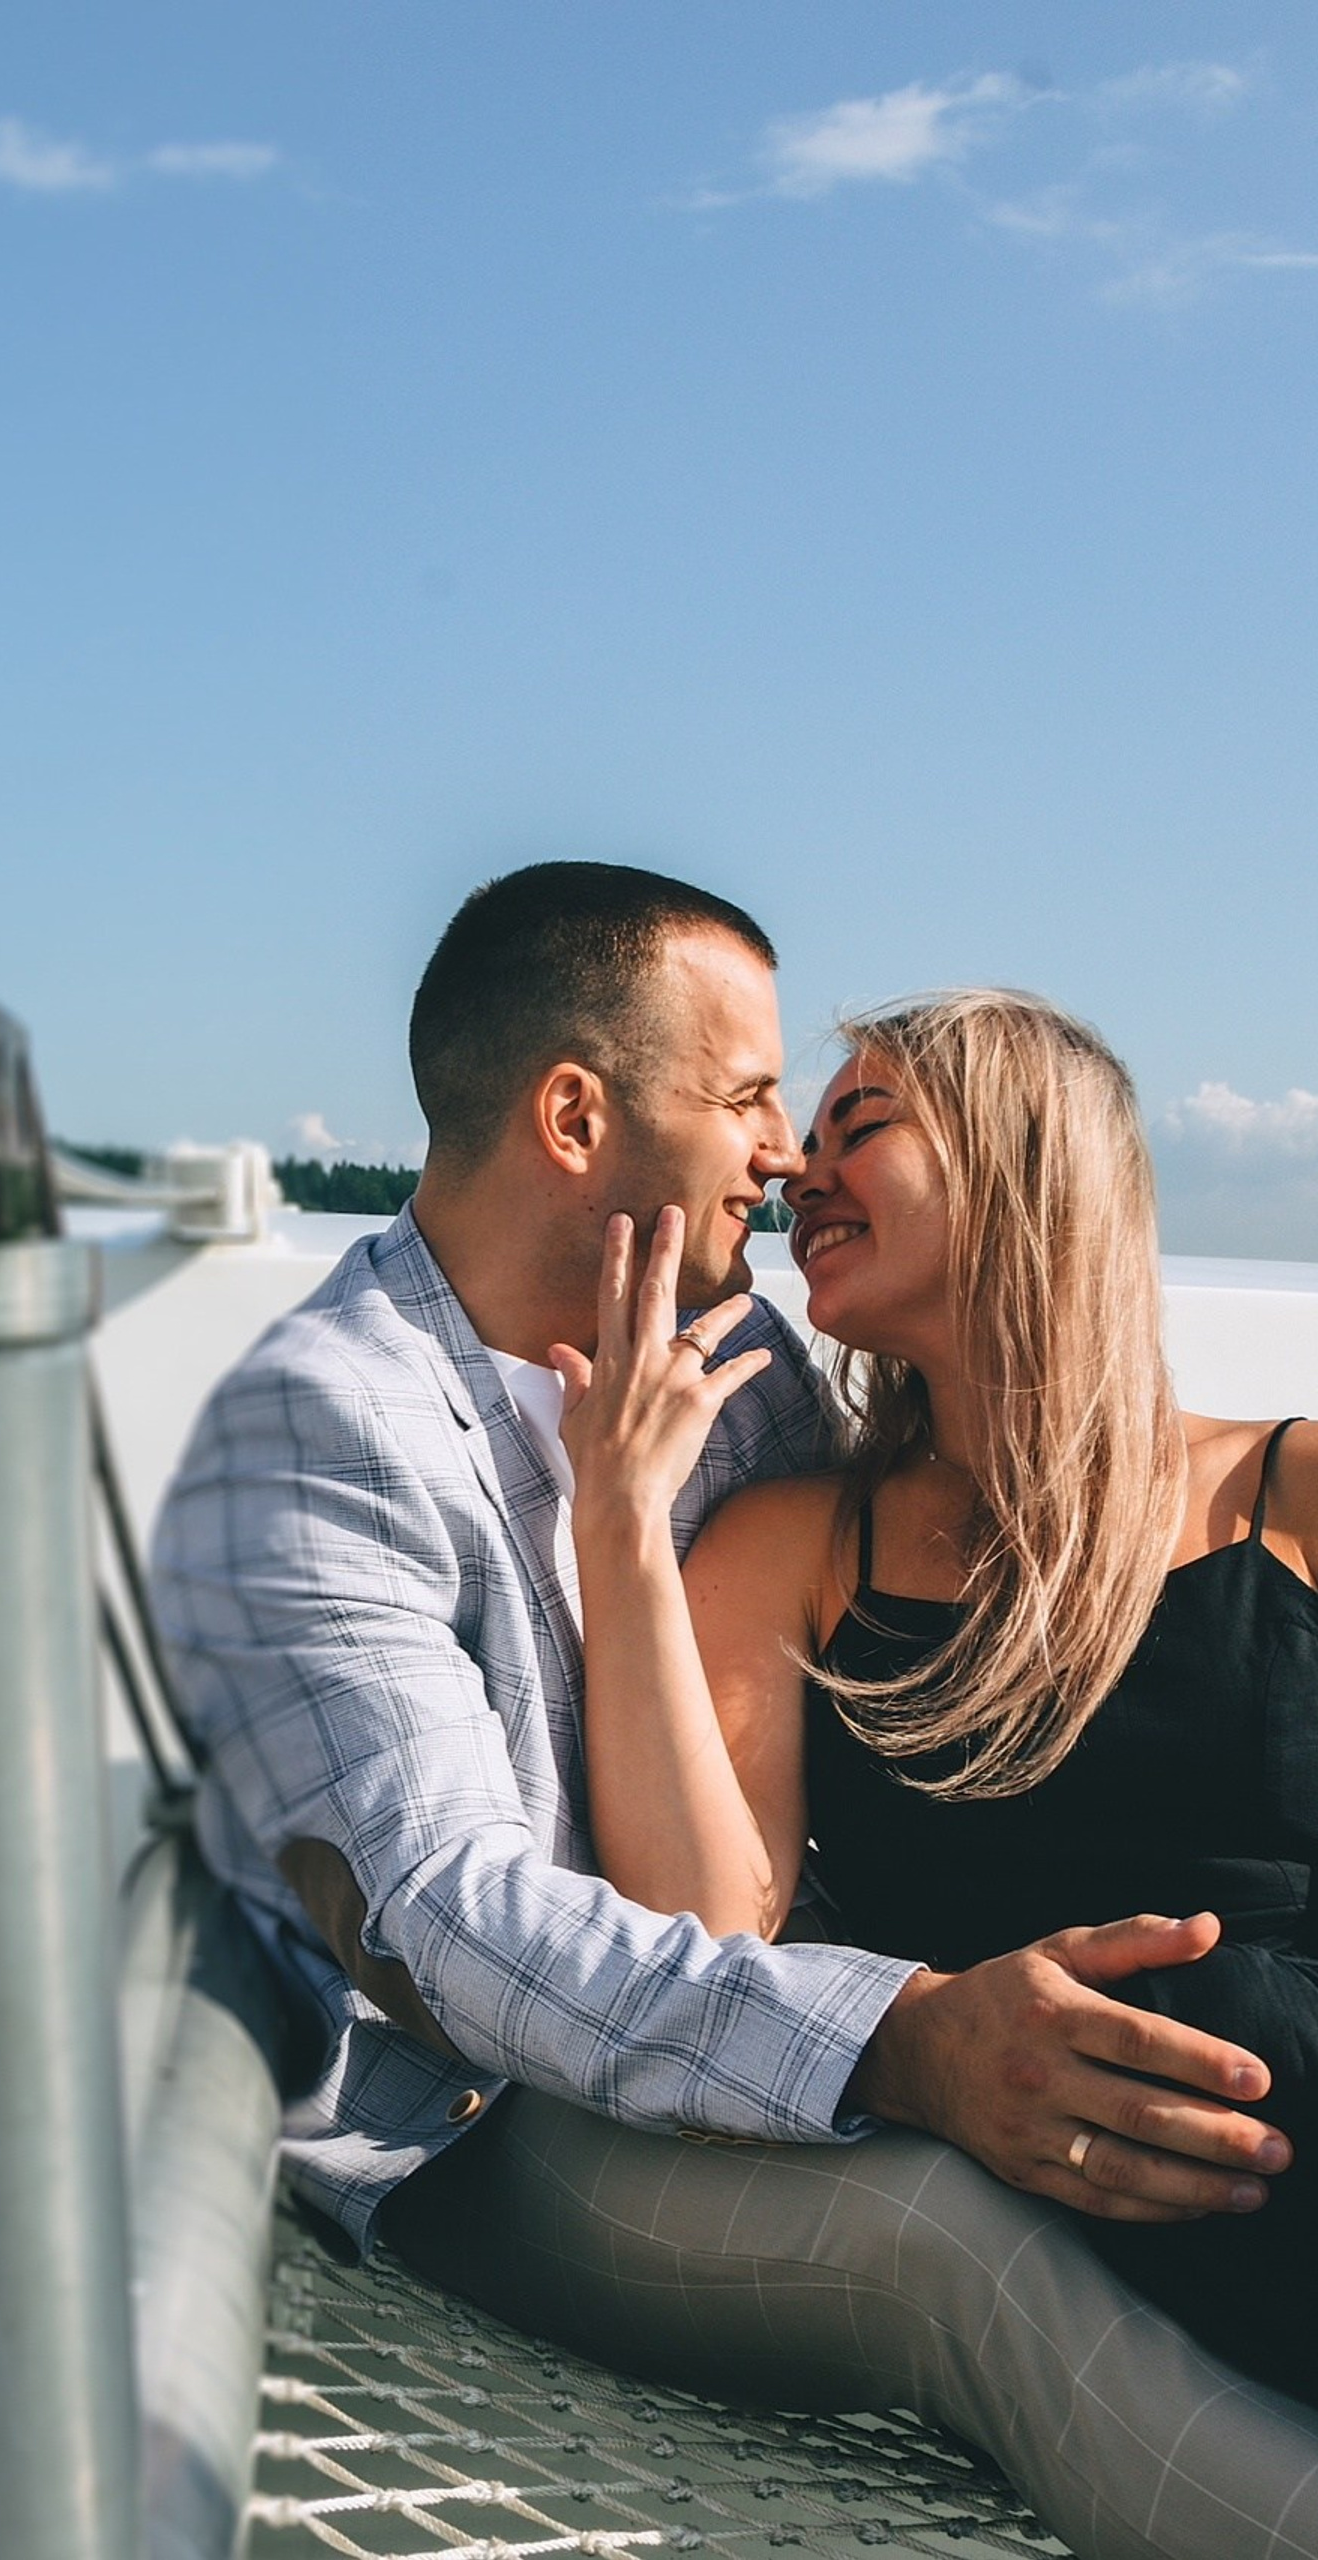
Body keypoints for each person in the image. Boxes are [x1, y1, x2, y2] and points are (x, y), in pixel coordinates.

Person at [150, 864, 1318, 2560]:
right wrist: (906, 2038)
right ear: (575, 1116)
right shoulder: (324, 1433)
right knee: (948, 2238)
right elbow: (453, 1930)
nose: (785, 1156)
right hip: (480, 2127)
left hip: (793, 2030)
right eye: (758, 1097)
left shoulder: (746, 1366)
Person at [557, 986, 1318, 2404]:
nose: (796, 1167)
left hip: (1292, 2100)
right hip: (1072, 2186)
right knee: (1193, 2020)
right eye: (807, 1135)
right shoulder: (791, 1552)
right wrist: (616, 1519)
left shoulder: (1289, 1495)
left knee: (1239, 2014)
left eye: (865, 1124)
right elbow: (711, 1939)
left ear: (1027, 1160)